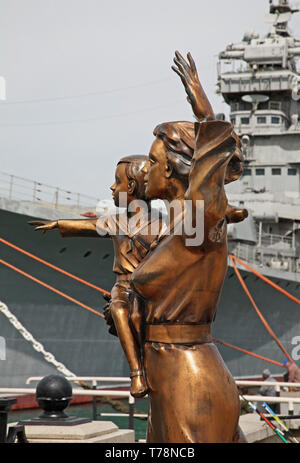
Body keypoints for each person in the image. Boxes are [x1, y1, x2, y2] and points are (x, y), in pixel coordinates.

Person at [129, 51, 248, 443]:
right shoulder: (174, 229)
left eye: (151, 161)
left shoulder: (200, 221)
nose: (142, 171)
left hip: (191, 383)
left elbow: (213, 157)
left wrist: (203, 108)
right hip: (167, 383)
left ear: (175, 168)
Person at [29, 155, 165, 398]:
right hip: (122, 285)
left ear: (132, 187)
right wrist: (59, 223)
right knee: (120, 310)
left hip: (149, 288)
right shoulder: (115, 221)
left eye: (117, 182)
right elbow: (90, 227)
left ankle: (146, 363)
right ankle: (136, 373)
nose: (112, 188)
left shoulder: (162, 225)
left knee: (136, 314)